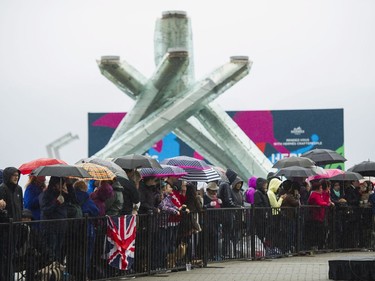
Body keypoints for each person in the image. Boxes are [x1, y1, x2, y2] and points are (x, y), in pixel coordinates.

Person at [0, 167, 23, 280]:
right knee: (5, 256)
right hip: (6, 230)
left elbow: (21, 207)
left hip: (17, 228)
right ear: (8, 176)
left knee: (12, 255)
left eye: (17, 175)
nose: (16, 177)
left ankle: (10, 277)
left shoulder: (19, 189)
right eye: (14, 175)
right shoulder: (2, 189)